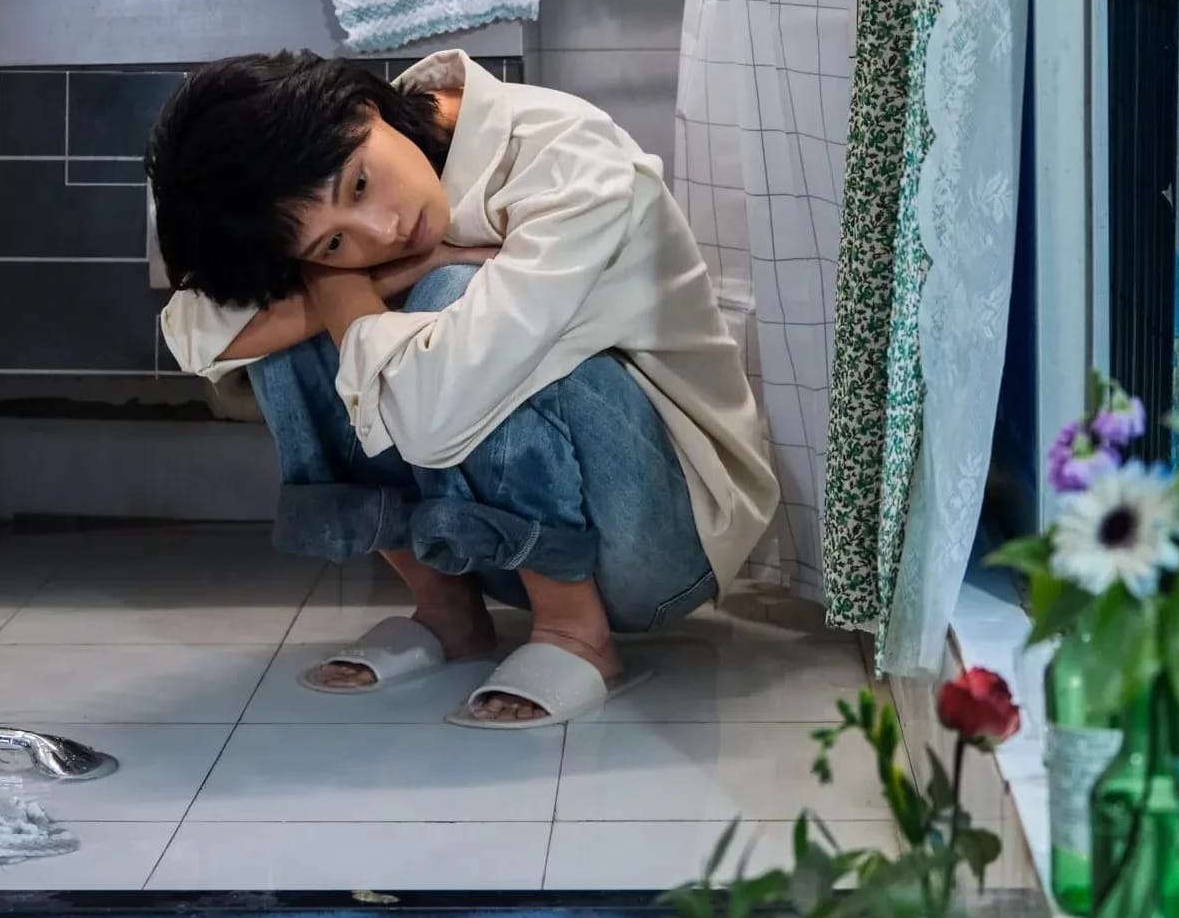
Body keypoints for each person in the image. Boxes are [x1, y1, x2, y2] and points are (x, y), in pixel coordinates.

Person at [150, 49, 778, 727]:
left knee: (446, 298)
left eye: (359, 186)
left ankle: (577, 634)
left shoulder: (564, 154)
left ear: (363, 110)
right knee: (295, 333)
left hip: (664, 540)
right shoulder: (362, 152)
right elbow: (193, 331)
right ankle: (448, 613)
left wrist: (350, 278)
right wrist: (350, 279)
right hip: (492, 545)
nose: (381, 230)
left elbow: (437, 413)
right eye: (332, 242)